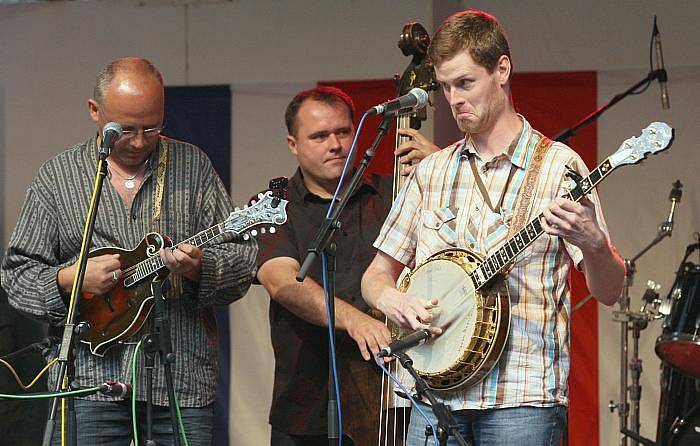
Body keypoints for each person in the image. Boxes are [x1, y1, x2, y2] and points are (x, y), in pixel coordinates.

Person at [361, 10, 626, 446]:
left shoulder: (559, 168)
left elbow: (611, 291)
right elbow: (375, 274)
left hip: (522, 399)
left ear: (502, 70)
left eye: (465, 83)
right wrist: (393, 300)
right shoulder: (431, 173)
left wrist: (595, 244)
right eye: (445, 87)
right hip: (433, 395)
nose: (454, 99)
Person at [0, 57, 258, 445]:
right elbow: (16, 275)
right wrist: (69, 278)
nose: (139, 141)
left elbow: (242, 261)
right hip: (86, 388)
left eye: (151, 128)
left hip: (179, 387)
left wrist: (200, 267)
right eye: (126, 129)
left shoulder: (194, 168)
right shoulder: (58, 177)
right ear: (94, 111)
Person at [255, 86, 438, 445]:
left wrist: (442, 169)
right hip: (308, 401)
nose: (335, 144)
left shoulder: (394, 193)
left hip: (393, 401)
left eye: (343, 132)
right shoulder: (273, 206)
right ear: (293, 144)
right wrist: (354, 319)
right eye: (319, 136)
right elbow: (283, 283)